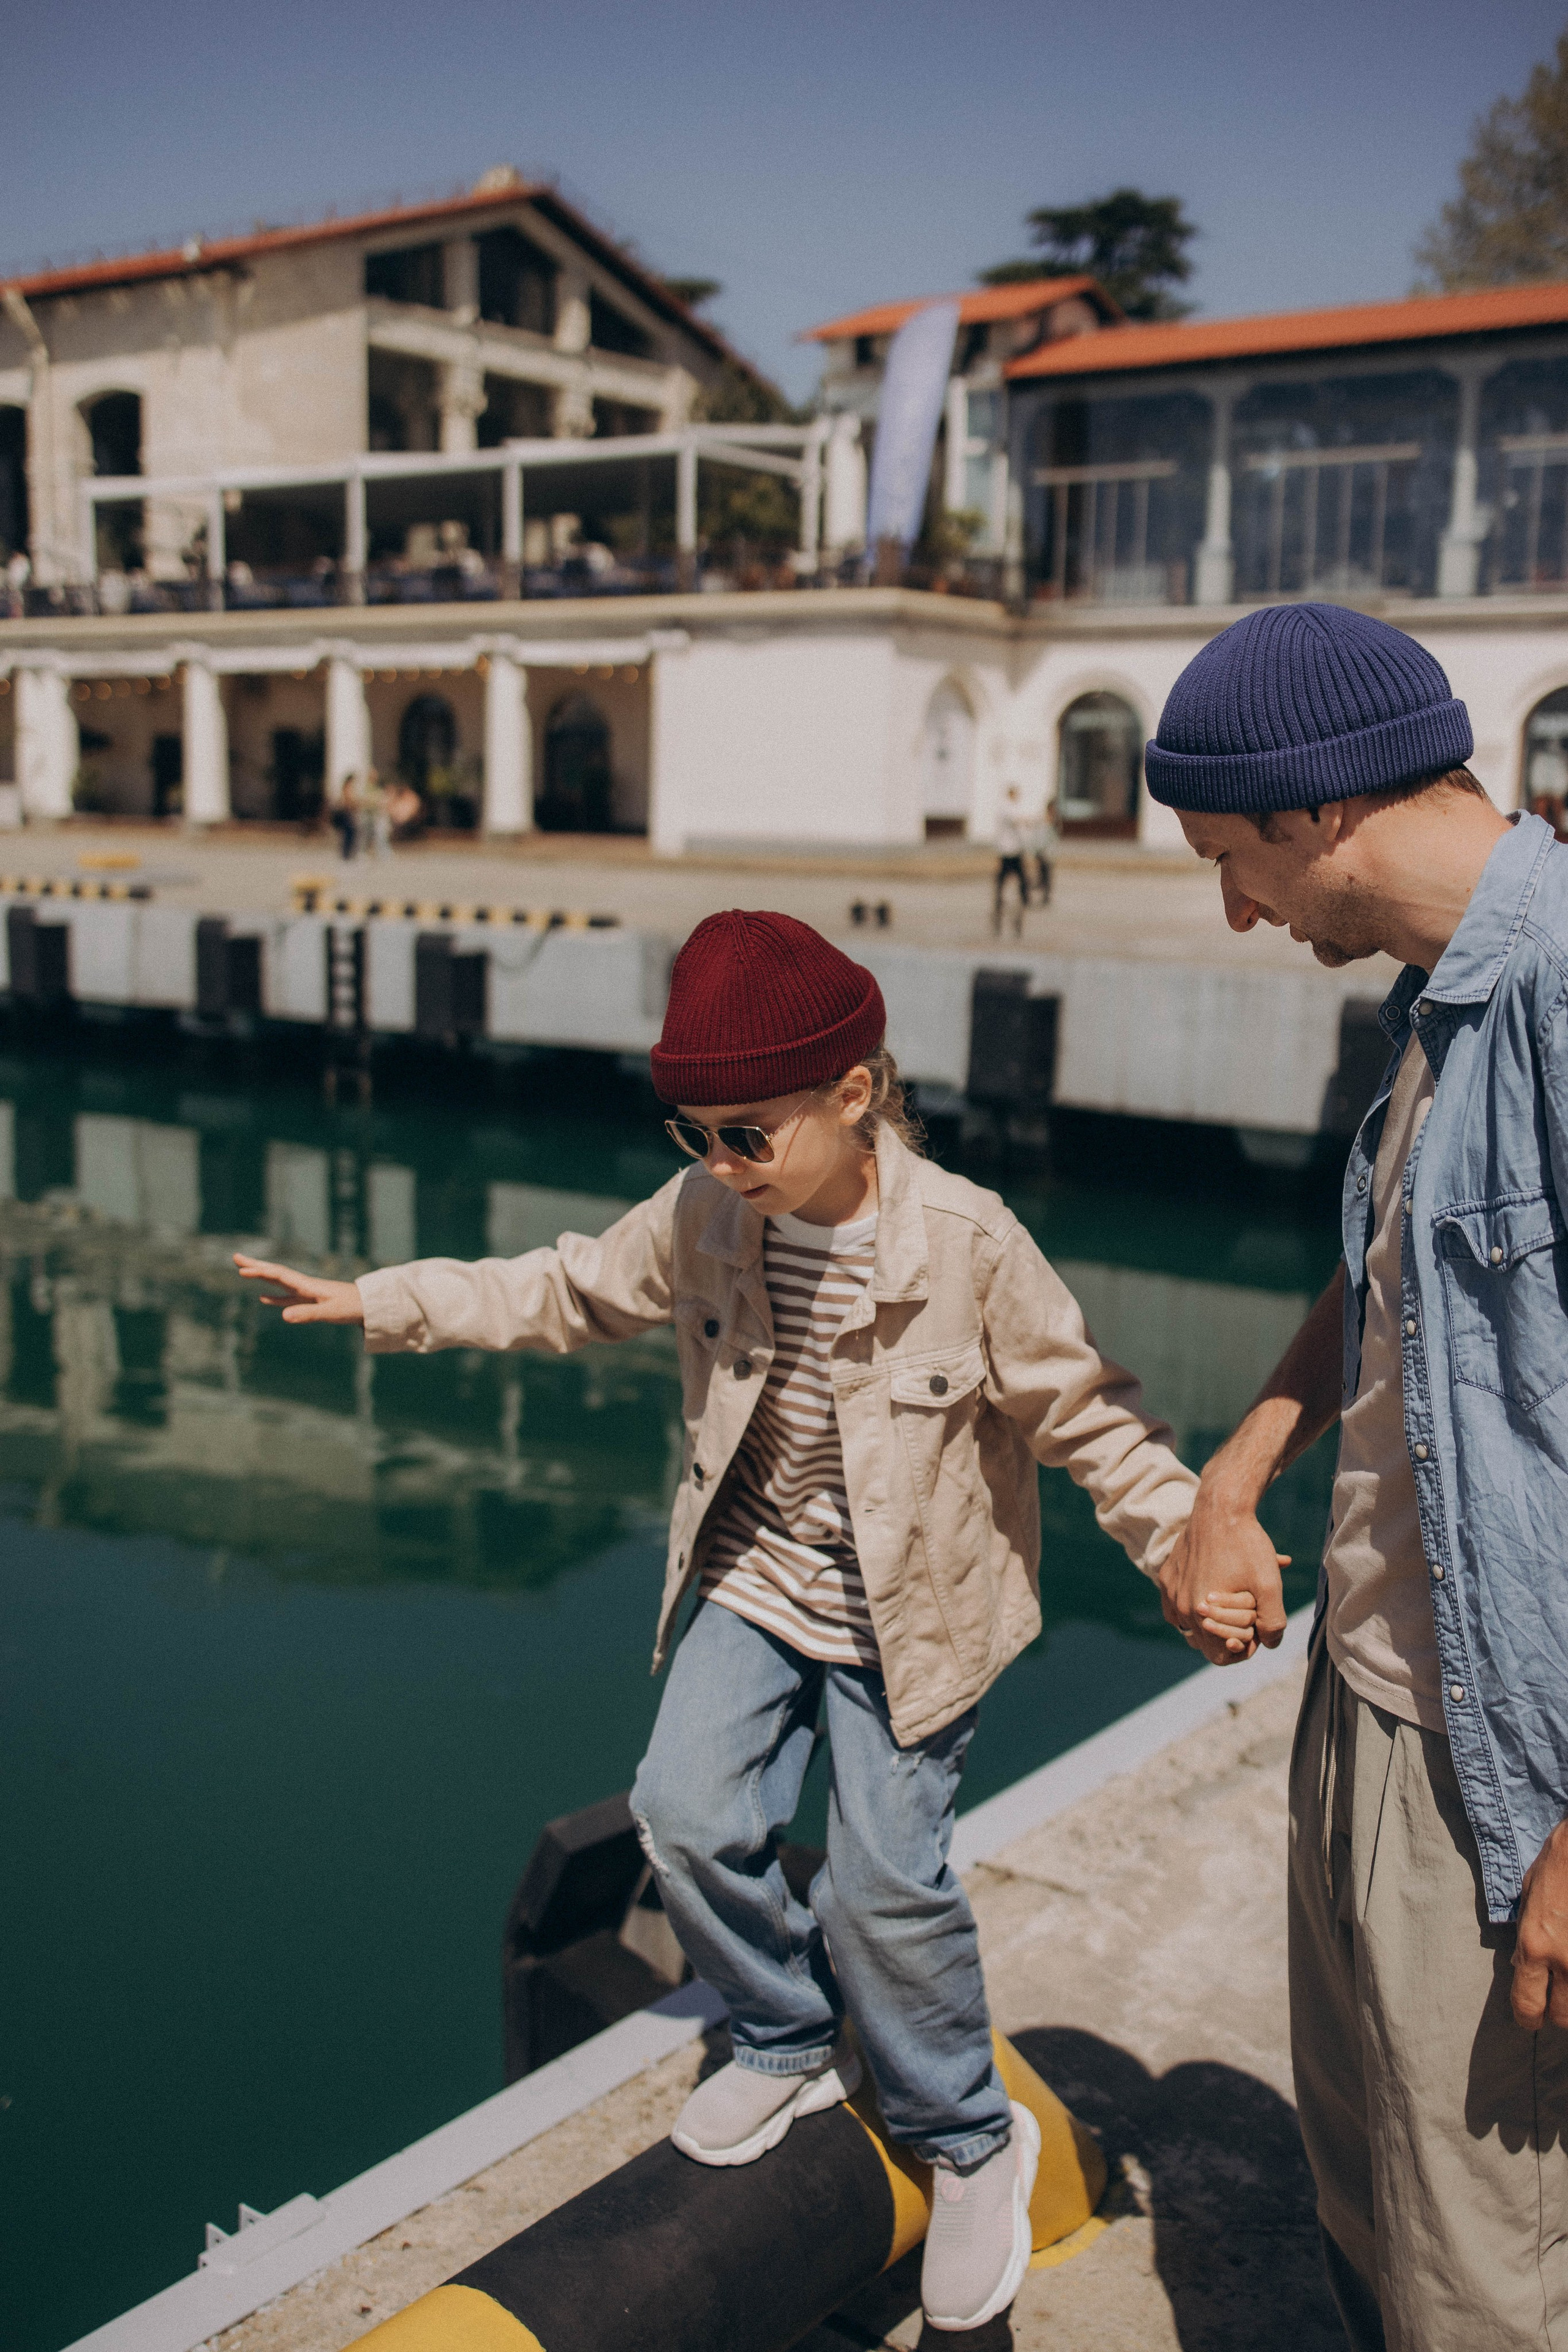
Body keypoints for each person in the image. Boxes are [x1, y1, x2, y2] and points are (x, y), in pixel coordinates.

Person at [234, 909, 1225, 2335]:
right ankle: (779, 2026)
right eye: (691, 1130)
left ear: (852, 1090)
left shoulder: (967, 1244)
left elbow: (1088, 1419)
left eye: (746, 1130)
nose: (719, 1162)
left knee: (885, 1889)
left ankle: (965, 2138)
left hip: (910, 1618)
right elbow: (569, 1286)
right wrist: (383, 1299)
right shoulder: (707, 1216)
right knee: (682, 1814)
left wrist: (1185, 1544)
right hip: (758, 1586)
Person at [1147, 601, 1568, 2352]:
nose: (1238, 909)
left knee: (1488, 2279)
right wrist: (1241, 1468)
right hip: (1374, 1698)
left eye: (1235, 859)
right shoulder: (1432, 1005)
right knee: (1366, 2200)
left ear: (1322, 811)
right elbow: (1397, 1273)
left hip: (1513, 1769)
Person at [993, 786, 1030, 937]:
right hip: (1009, 850)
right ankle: (1001, 901)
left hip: (1014, 849)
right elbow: (1015, 821)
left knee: (1015, 877)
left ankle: (1004, 900)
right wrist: (1029, 821)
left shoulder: (1012, 807)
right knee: (1011, 877)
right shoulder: (1006, 808)